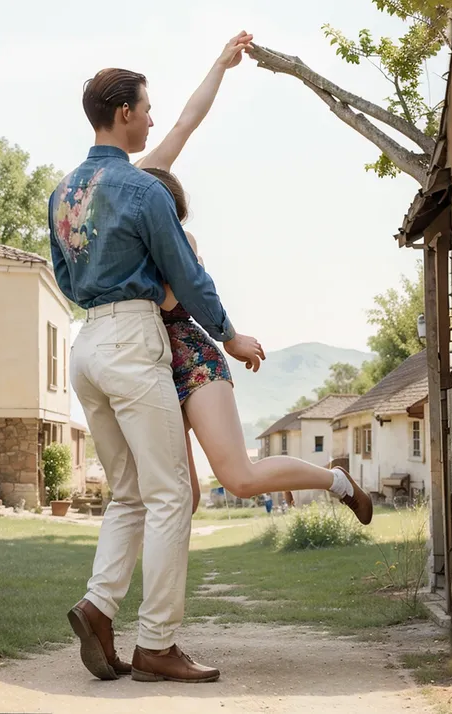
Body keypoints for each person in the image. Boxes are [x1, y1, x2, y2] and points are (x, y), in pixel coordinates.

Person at [48, 36, 263, 685]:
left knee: (130, 494)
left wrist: (219, 67)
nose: (150, 118)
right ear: (121, 112)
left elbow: (65, 275)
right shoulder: (142, 191)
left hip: (87, 344)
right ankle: (158, 645)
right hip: (135, 340)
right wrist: (229, 334)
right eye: (144, 109)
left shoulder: (67, 192)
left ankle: (98, 605)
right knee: (172, 494)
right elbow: (187, 275)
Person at [136, 36, 373, 531]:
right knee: (186, 497)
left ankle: (336, 482)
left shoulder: (180, 237)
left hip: (192, 359)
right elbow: (183, 122)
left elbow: (184, 123)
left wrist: (221, 63)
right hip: (146, 361)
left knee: (239, 478)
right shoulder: (127, 191)